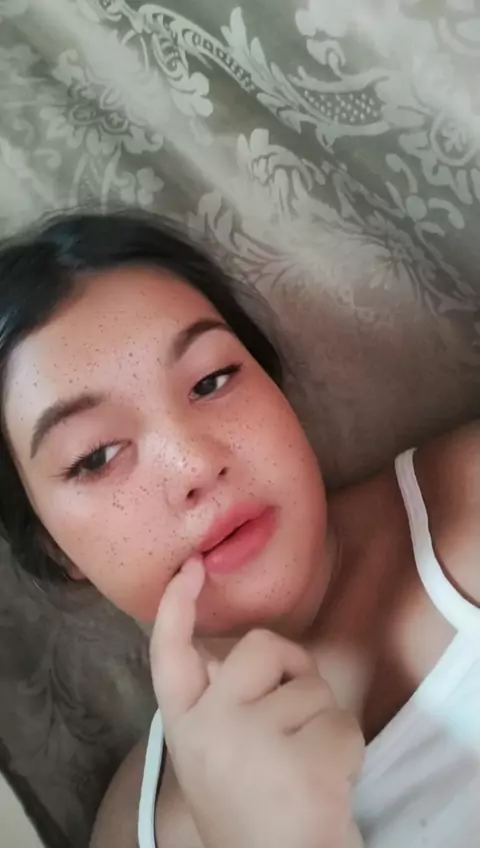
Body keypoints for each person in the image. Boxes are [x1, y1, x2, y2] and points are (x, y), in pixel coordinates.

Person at [0, 210, 478, 848]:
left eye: (212, 381)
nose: (194, 465)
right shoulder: (134, 829)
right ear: (56, 549)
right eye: (96, 457)